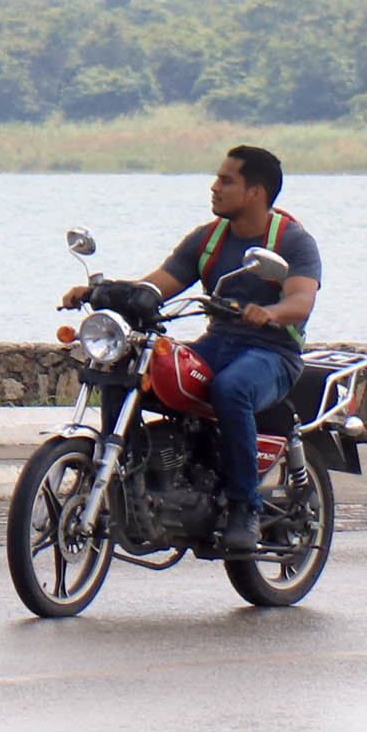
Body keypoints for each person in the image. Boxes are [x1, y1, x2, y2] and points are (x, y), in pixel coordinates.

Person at [63, 144, 320, 558]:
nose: (214, 187)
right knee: (126, 370)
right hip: (217, 344)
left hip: (273, 352)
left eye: (226, 180)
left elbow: (300, 301)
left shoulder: (291, 241)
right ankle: (128, 471)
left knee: (232, 389)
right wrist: (100, 294)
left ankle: (243, 507)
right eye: (218, 178)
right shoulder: (209, 239)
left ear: (255, 192)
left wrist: (268, 311)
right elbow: (157, 285)